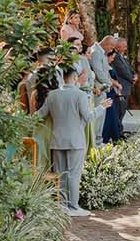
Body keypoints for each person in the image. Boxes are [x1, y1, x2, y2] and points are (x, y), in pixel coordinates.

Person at [36, 66, 100, 217]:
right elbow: (88, 117)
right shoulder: (80, 95)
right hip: (75, 140)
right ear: (75, 78)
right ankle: (74, 206)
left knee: (60, 174)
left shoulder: (52, 95)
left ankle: (63, 205)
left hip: (57, 140)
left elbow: (40, 114)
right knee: (74, 174)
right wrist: (101, 108)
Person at [105, 35, 134, 144]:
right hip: (120, 88)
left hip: (125, 87)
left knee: (121, 112)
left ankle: (119, 132)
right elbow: (122, 71)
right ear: (118, 47)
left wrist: (133, 74)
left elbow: (128, 68)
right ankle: (117, 134)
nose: (126, 48)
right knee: (119, 112)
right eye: (124, 46)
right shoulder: (115, 57)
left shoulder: (121, 56)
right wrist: (131, 78)